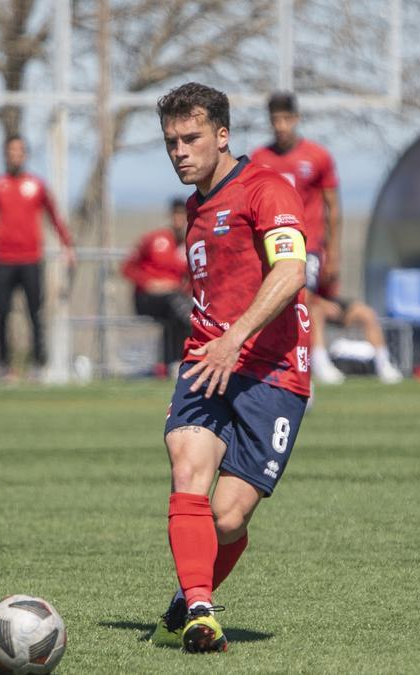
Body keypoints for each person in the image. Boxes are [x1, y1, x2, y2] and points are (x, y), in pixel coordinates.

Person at [151, 82, 310, 654]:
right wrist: (214, 344)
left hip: (272, 371)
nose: (180, 151)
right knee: (186, 465)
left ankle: (190, 588)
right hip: (206, 361)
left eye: (191, 138)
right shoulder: (195, 210)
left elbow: (291, 273)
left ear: (223, 136)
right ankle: (200, 610)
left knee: (227, 518)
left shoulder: (267, 189)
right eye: (171, 141)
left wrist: (236, 338)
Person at [251, 92, 401, 384]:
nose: (280, 126)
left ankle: (315, 364)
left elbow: (333, 206)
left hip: (310, 246)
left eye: (285, 119)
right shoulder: (260, 158)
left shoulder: (317, 156)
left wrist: (333, 251)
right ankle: (289, 366)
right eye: (274, 120)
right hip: (274, 246)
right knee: (295, 305)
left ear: (296, 119)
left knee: (302, 299)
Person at [0, 136, 75, 380]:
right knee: (2, 313)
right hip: (3, 260)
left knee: (34, 314)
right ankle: (4, 366)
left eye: (19, 151)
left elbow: (54, 216)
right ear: (6, 155)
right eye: (10, 151)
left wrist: (68, 246)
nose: (15, 155)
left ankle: (38, 365)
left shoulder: (37, 185)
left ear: (25, 155)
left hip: (30, 260)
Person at [121, 199, 192, 377]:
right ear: (171, 216)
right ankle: (179, 360)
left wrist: (180, 288)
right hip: (146, 298)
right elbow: (127, 267)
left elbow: (193, 278)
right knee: (178, 306)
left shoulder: (190, 244)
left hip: (174, 299)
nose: (179, 220)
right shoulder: (154, 239)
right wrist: (149, 283)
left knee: (180, 308)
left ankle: (173, 363)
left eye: (183, 215)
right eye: (176, 215)